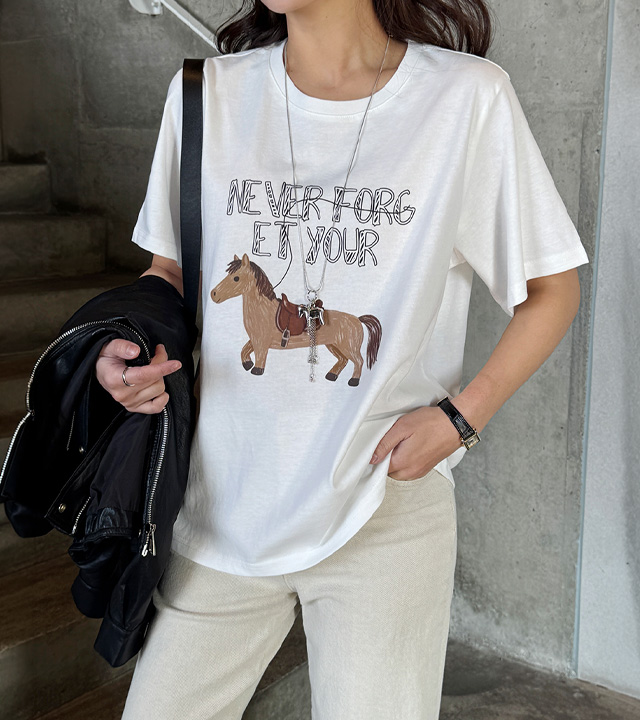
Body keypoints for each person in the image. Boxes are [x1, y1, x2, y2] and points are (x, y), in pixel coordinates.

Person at [96, 0, 589, 717]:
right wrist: (132, 351)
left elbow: (551, 289)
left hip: (382, 506)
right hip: (222, 507)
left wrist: (461, 419)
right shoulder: (207, 94)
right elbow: (170, 271)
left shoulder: (464, 99)